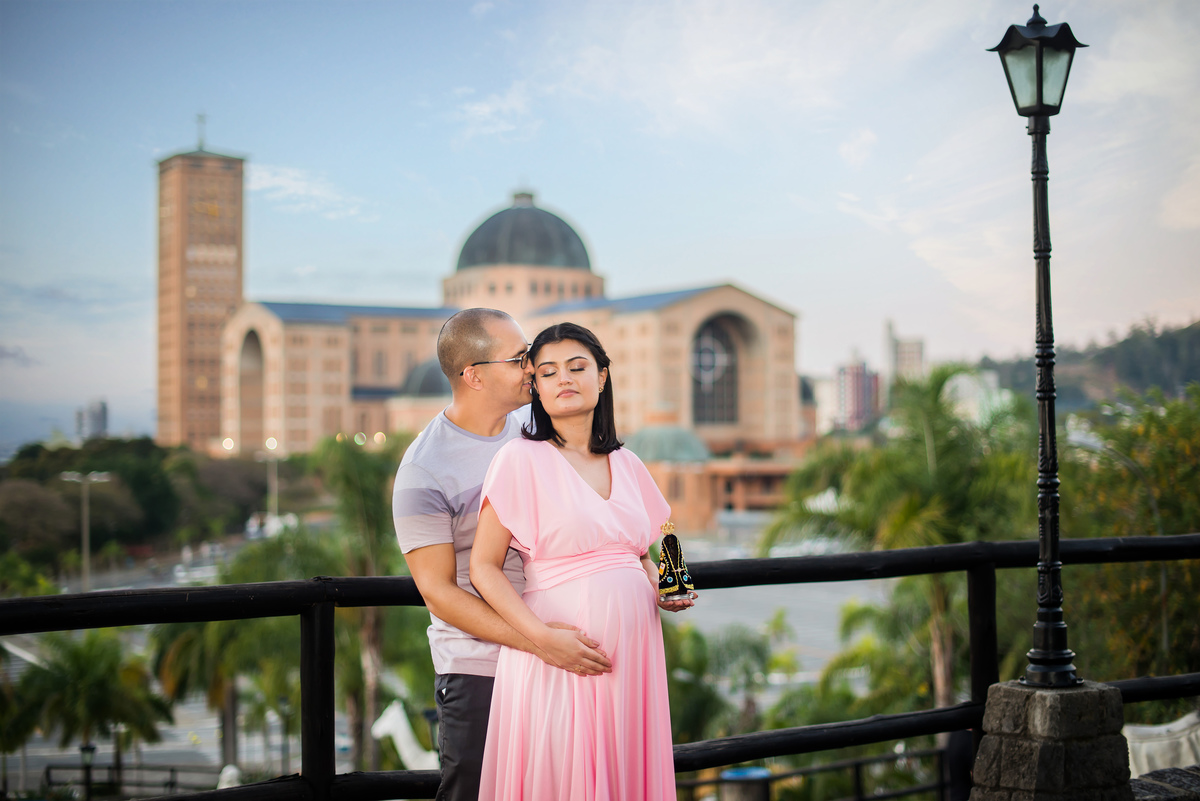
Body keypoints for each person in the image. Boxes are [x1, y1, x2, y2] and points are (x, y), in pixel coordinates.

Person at [393, 309, 612, 801]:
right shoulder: (423, 471)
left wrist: (670, 579)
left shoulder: (539, 431)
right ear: (473, 375)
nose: (533, 368)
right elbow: (439, 593)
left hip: (560, 657)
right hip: (481, 671)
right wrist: (536, 641)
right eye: (519, 359)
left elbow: (641, 516)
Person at [470, 321, 696, 800]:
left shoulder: (629, 463)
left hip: (634, 655)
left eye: (577, 367)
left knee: (623, 771)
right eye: (548, 373)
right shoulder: (519, 459)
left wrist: (672, 582)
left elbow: (660, 534)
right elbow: (483, 567)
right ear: (537, 387)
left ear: (603, 376)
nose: (564, 379)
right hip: (558, 651)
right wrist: (542, 639)